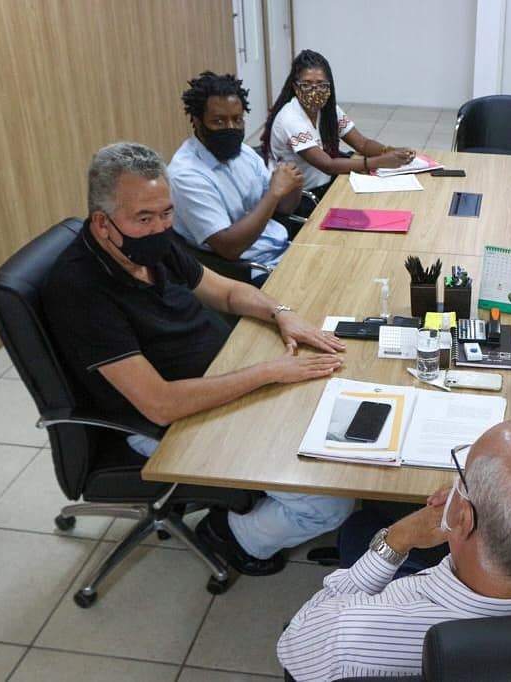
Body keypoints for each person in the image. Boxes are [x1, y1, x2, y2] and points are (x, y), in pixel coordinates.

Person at [43, 142, 354, 576]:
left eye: (167, 212)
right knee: (330, 502)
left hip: (223, 379)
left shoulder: (149, 244)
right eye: (145, 218)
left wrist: (282, 315)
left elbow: (225, 291)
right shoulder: (81, 291)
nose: (160, 226)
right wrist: (269, 372)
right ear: (102, 222)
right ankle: (228, 535)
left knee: (338, 410)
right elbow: (160, 404)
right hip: (170, 422)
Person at [277, 419, 511, 681]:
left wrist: (398, 538)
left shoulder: (349, 634)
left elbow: (296, 645)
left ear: (463, 519)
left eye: (461, 476)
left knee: (359, 528)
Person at [169, 72, 300, 284]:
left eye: (237, 120)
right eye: (219, 121)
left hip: (283, 247)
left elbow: (284, 209)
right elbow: (230, 248)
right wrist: (274, 193)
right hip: (253, 270)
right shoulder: (186, 175)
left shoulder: (244, 153)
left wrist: (293, 185)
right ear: (197, 122)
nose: (231, 128)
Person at [261, 49, 415, 213]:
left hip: (328, 184)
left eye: (321, 85)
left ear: (329, 87)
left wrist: (390, 151)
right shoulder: (290, 118)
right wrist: (381, 161)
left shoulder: (328, 110)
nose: (314, 91)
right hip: (302, 198)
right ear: (295, 87)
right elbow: (328, 165)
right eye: (306, 85)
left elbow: (362, 143)